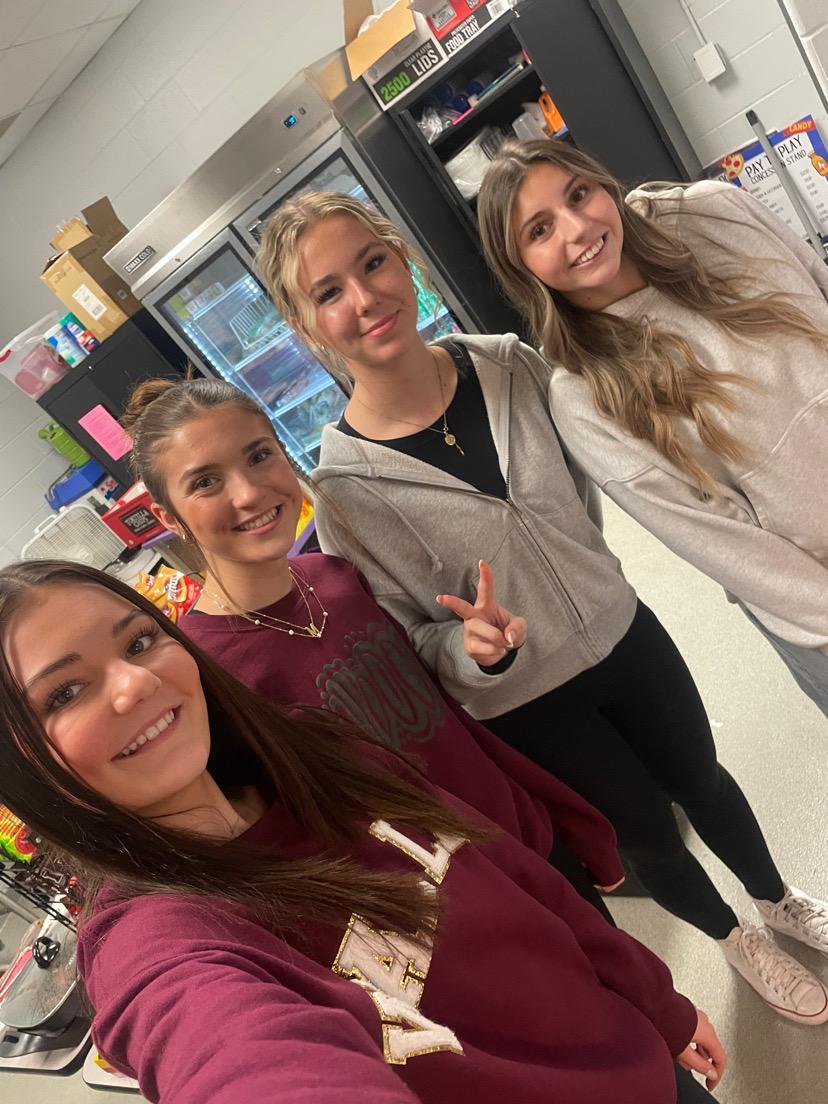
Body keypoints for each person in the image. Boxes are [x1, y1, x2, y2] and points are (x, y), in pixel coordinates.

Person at [255, 188, 828, 1023]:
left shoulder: (512, 366)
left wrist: (585, 563)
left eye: (372, 263)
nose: (365, 297)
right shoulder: (345, 491)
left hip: (623, 631)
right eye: (329, 292)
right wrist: (469, 649)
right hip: (528, 703)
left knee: (703, 780)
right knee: (646, 835)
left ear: (404, 261)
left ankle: (777, 899)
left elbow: (588, 480)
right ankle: (735, 939)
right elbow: (409, 638)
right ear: (307, 327)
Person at [0, 560, 724, 1103]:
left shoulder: (318, 751)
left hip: (637, 1059)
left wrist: (659, 1005)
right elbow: (230, 1052)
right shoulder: (156, 945)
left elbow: (523, 881)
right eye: (66, 692)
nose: (135, 684)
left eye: (138, 642)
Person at [121, 374, 621, 923]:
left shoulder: (335, 577)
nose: (248, 493)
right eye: (205, 482)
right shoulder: (207, 674)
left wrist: (473, 651)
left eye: (259, 456)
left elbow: (448, 725)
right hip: (446, 911)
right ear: (168, 517)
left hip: (524, 842)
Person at [476, 137, 828, 719]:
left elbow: (818, 287)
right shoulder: (585, 396)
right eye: (540, 230)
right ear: (521, 268)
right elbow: (727, 544)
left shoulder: (713, 214)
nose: (577, 229)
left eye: (578, 195)